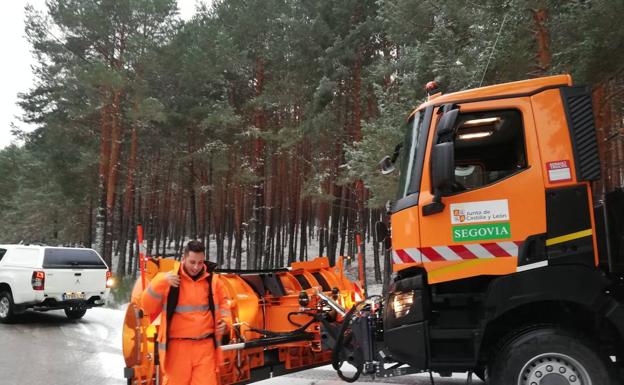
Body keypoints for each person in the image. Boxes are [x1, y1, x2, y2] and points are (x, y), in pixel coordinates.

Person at [142, 240, 232, 385]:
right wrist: (160, 281)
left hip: (205, 348)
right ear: (183, 258)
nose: (196, 267)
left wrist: (227, 323)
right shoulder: (170, 280)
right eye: (192, 262)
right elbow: (146, 306)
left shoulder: (213, 282)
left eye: (200, 262)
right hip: (178, 349)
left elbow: (224, 306)